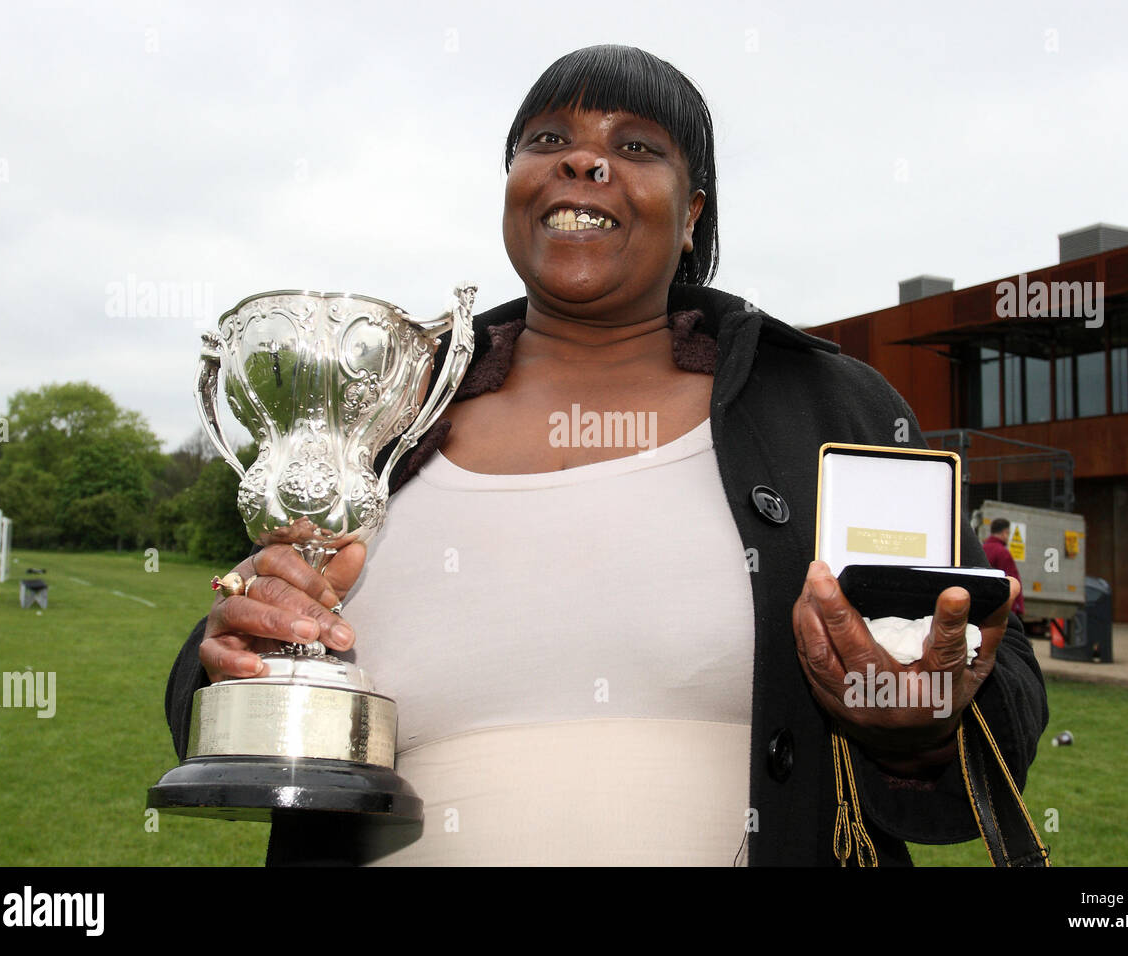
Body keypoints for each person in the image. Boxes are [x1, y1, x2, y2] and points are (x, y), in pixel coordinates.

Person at [164, 44, 1046, 866]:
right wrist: (243, 640)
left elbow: (985, 668)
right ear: (511, 186)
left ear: (693, 213)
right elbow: (248, 650)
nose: (584, 162)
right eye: (549, 140)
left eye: (636, 146)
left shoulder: (828, 408)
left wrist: (913, 725)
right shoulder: (390, 406)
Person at [982, 518, 1024, 617]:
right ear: (1005, 532)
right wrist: (1018, 607)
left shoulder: (982, 548)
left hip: (984, 603)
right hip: (1001, 607)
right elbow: (1011, 580)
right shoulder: (1002, 552)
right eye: (1008, 533)